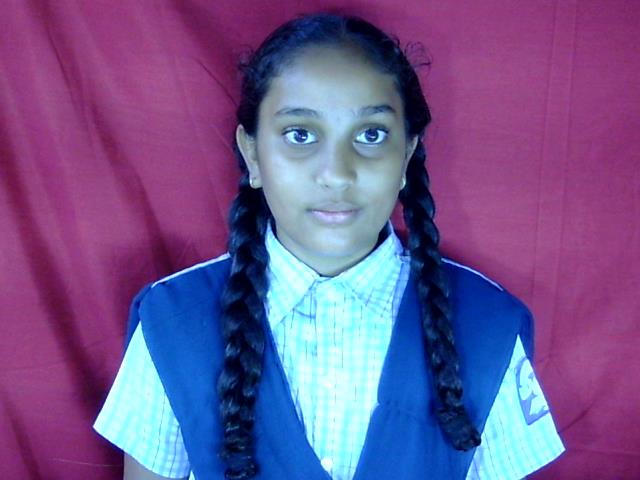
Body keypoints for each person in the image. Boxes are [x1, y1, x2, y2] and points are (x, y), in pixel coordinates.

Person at [94, 13, 565, 480]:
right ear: (252, 153)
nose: (337, 174)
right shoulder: (173, 320)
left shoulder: (487, 324)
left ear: (406, 154)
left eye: (371, 135)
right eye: (300, 135)